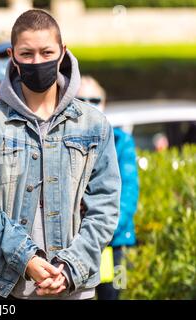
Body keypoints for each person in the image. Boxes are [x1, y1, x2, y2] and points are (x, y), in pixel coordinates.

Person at [0, 9, 121, 300]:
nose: (37, 61)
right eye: (27, 53)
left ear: (62, 53)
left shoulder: (93, 123)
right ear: (13, 56)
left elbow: (105, 206)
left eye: (46, 52)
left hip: (71, 285)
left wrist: (71, 267)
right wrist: (26, 258)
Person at [77, 75, 139, 300]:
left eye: (95, 99)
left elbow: (128, 193)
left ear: (104, 103)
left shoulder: (121, 140)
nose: (89, 104)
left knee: (114, 294)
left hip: (114, 243)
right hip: (76, 244)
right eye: (81, 98)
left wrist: (103, 231)